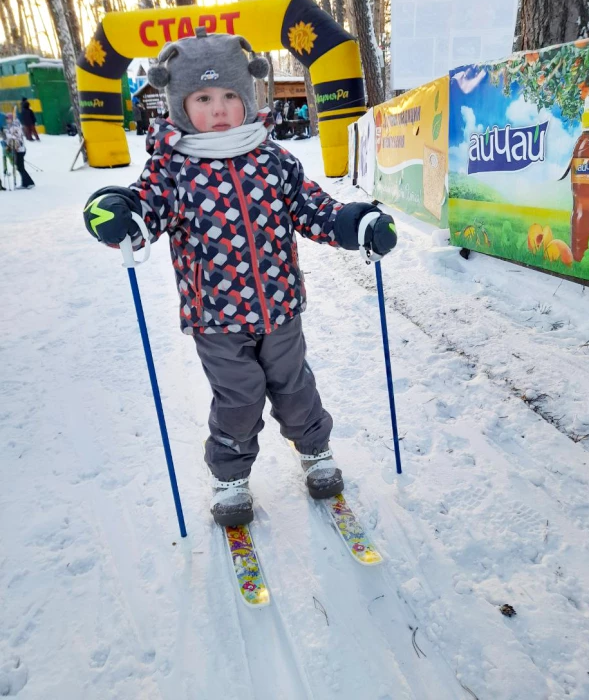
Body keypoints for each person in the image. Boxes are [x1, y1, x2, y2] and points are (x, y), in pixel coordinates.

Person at [83, 29, 396, 527]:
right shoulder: (173, 169)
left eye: (230, 95)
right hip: (216, 318)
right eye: (203, 97)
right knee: (240, 396)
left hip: (280, 306)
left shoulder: (272, 159)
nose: (220, 108)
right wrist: (122, 211)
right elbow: (148, 210)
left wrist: (352, 223)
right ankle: (230, 476)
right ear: (180, 103)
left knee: (294, 385)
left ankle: (314, 450)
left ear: (248, 96)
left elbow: (311, 207)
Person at [6, 113, 35, 189]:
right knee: (19, 167)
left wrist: (9, 136)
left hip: (20, 149)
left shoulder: (16, 126)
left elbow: (17, 137)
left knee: (20, 167)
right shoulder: (11, 126)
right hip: (16, 149)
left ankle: (29, 183)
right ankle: (25, 183)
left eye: (8, 118)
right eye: (6, 118)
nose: (7, 120)